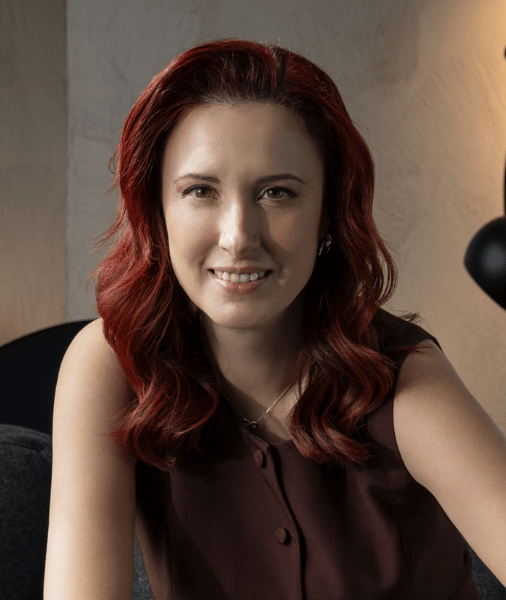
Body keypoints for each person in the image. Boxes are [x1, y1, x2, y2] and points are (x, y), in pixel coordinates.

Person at [44, 39, 506, 599]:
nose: (238, 236)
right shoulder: (110, 364)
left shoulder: (403, 376)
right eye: (200, 191)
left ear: (328, 214)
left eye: (277, 192)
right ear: (156, 211)